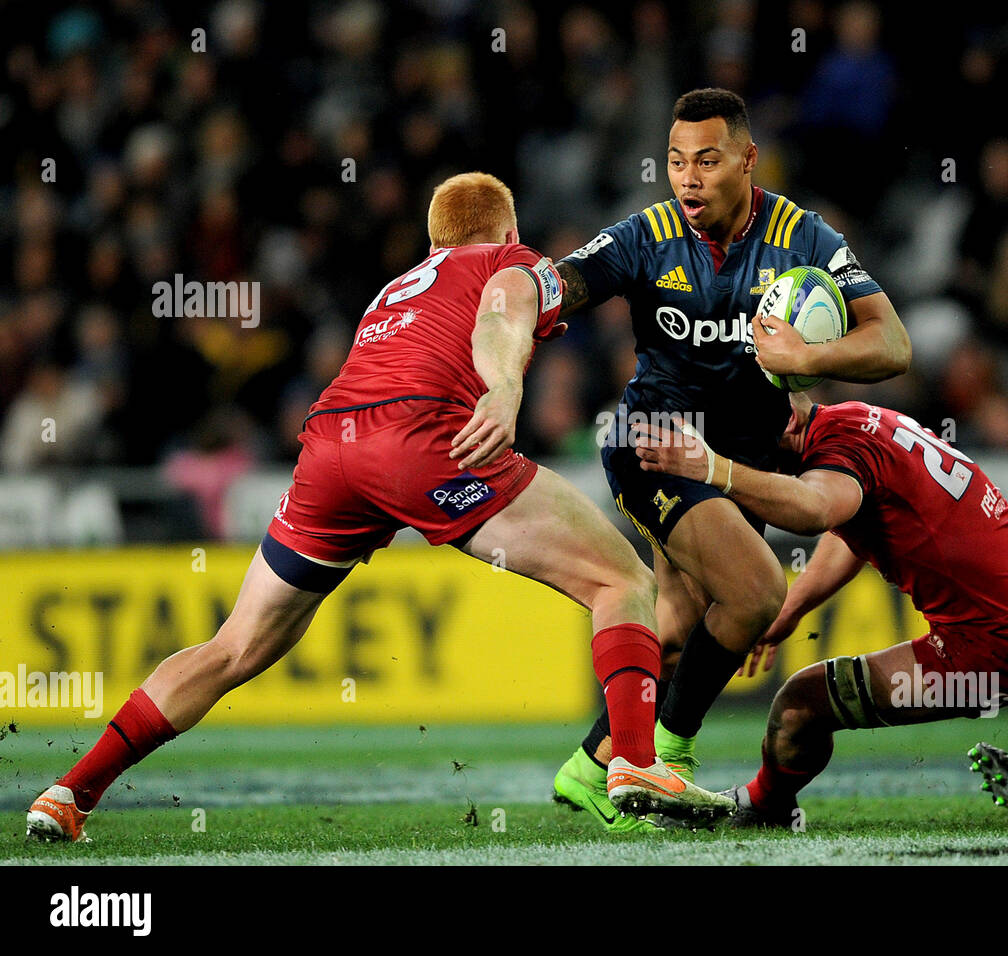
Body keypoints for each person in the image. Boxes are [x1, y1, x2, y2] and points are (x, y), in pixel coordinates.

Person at [25, 172, 733, 843]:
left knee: (233, 646)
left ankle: (70, 792)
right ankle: (634, 758)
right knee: (622, 580)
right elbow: (502, 319)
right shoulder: (510, 260)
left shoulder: (394, 289)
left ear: (434, 241)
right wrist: (505, 387)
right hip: (422, 436)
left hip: (328, 447)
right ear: (506, 229)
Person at [548, 87, 911, 832]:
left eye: (707, 161)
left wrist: (812, 353)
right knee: (753, 591)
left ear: (748, 160)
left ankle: (590, 768)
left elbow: (893, 344)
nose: (687, 178)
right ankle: (668, 761)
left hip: (746, 464)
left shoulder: (803, 239)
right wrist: (512, 300)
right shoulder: (646, 236)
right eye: (676, 162)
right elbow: (566, 282)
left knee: (678, 627)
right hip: (655, 444)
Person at [630, 395, 1008, 825]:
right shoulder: (852, 421)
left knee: (800, 704)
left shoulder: (830, 460)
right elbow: (846, 522)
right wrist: (793, 608)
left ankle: (766, 810)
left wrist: (713, 469)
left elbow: (817, 509)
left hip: (992, 635)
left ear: (783, 425)